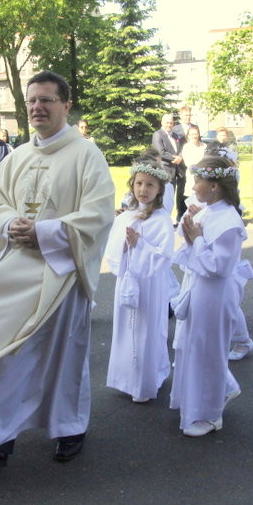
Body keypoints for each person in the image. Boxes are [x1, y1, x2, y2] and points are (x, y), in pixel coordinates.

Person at [0, 70, 114, 466]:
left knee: (64, 357)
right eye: (31, 101)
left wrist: (44, 232)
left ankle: (69, 427)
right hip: (17, 273)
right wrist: (10, 225)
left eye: (46, 100)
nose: (37, 108)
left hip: (61, 273)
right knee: (7, 356)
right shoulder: (19, 156)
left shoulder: (86, 155)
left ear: (66, 105)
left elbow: (97, 213)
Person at [170, 155, 246, 437]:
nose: (193, 184)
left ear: (215, 186)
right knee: (194, 347)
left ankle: (210, 414)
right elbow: (188, 237)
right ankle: (197, 402)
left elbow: (220, 266)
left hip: (215, 293)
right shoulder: (208, 210)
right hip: (200, 289)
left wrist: (198, 238)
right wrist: (189, 222)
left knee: (209, 351)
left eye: (198, 180)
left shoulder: (228, 219)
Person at [105, 158, 175, 403]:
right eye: (139, 184)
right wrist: (124, 246)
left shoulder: (161, 219)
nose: (143, 190)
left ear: (159, 191)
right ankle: (127, 378)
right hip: (128, 280)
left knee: (146, 330)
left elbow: (163, 257)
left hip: (149, 285)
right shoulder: (127, 216)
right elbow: (113, 250)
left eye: (150, 185)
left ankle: (144, 382)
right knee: (127, 329)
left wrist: (139, 245)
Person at [151, 113, 184, 222]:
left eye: (171, 123)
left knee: (170, 198)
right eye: (167, 122)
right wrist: (175, 158)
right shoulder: (158, 134)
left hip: (175, 171)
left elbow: (180, 149)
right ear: (162, 123)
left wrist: (180, 157)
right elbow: (160, 152)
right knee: (162, 198)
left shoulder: (175, 135)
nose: (169, 125)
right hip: (164, 171)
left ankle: (167, 219)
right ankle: (161, 221)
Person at [171, 107, 198, 219]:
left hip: (194, 163)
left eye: (189, 115)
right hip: (181, 165)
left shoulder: (195, 128)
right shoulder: (175, 129)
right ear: (181, 115)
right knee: (181, 190)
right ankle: (180, 214)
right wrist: (180, 157)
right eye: (186, 115)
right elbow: (175, 146)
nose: (188, 117)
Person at [181, 126, 207, 202]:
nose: (194, 136)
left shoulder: (204, 146)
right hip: (192, 175)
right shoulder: (186, 147)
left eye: (196, 134)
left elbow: (207, 160)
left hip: (204, 175)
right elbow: (188, 162)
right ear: (188, 136)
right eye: (192, 134)